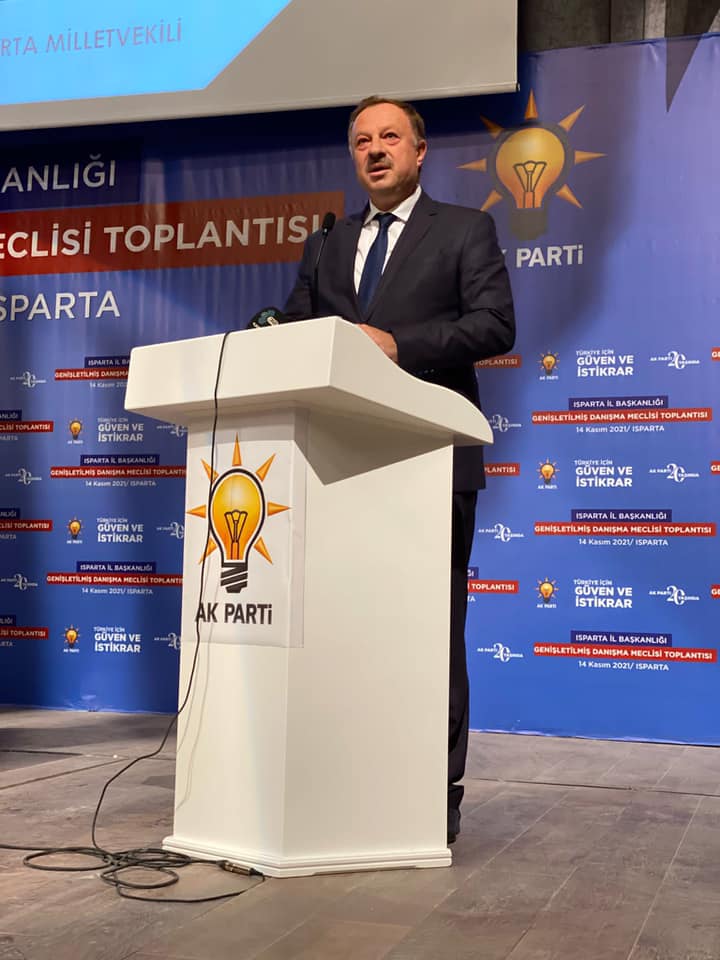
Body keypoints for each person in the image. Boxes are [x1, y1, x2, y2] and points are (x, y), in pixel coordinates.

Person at [283, 96, 515, 844]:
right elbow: (295, 328)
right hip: (338, 468)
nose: (375, 149)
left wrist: (397, 344)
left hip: (431, 459)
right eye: (362, 141)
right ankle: (349, 785)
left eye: (390, 137)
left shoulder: (465, 229)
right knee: (347, 632)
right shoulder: (327, 242)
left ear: (420, 151)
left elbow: (495, 325)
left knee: (432, 635)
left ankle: (430, 799)